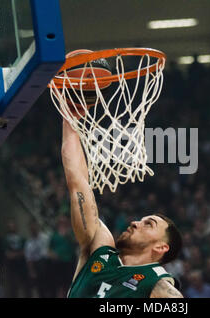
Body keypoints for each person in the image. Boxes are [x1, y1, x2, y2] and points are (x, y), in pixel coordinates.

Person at [61, 120, 183, 298]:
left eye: (148, 224)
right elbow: (77, 183)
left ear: (161, 247)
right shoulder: (100, 247)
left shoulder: (158, 287)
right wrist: (70, 118)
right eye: (140, 221)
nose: (135, 223)